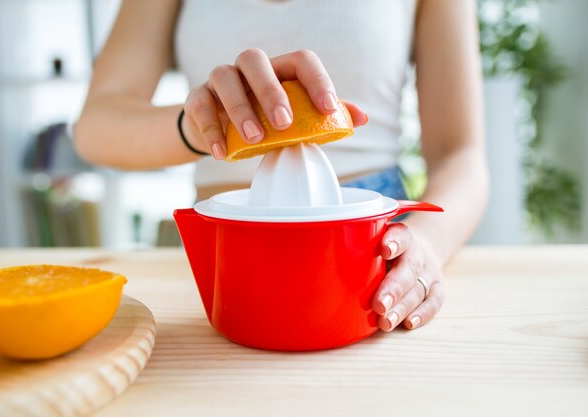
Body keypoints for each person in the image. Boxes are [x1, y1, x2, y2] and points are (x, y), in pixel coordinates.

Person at [74, 0, 489, 332]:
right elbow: (95, 128)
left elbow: (461, 154)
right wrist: (200, 127)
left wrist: (426, 244)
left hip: (367, 242)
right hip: (226, 240)